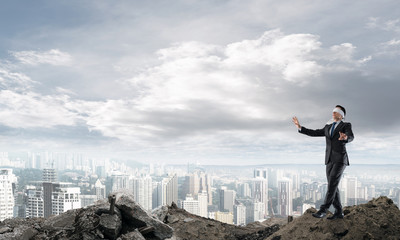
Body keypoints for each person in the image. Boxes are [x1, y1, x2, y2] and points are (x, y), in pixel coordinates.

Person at [292, 105, 354, 220]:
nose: (333, 113)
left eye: (336, 112)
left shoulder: (345, 125)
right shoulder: (328, 126)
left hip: (340, 159)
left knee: (332, 184)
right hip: (329, 159)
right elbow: (315, 132)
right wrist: (300, 127)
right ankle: (339, 211)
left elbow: (351, 137)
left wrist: (345, 137)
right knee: (333, 185)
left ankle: (323, 210)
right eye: (333, 112)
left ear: (341, 115)